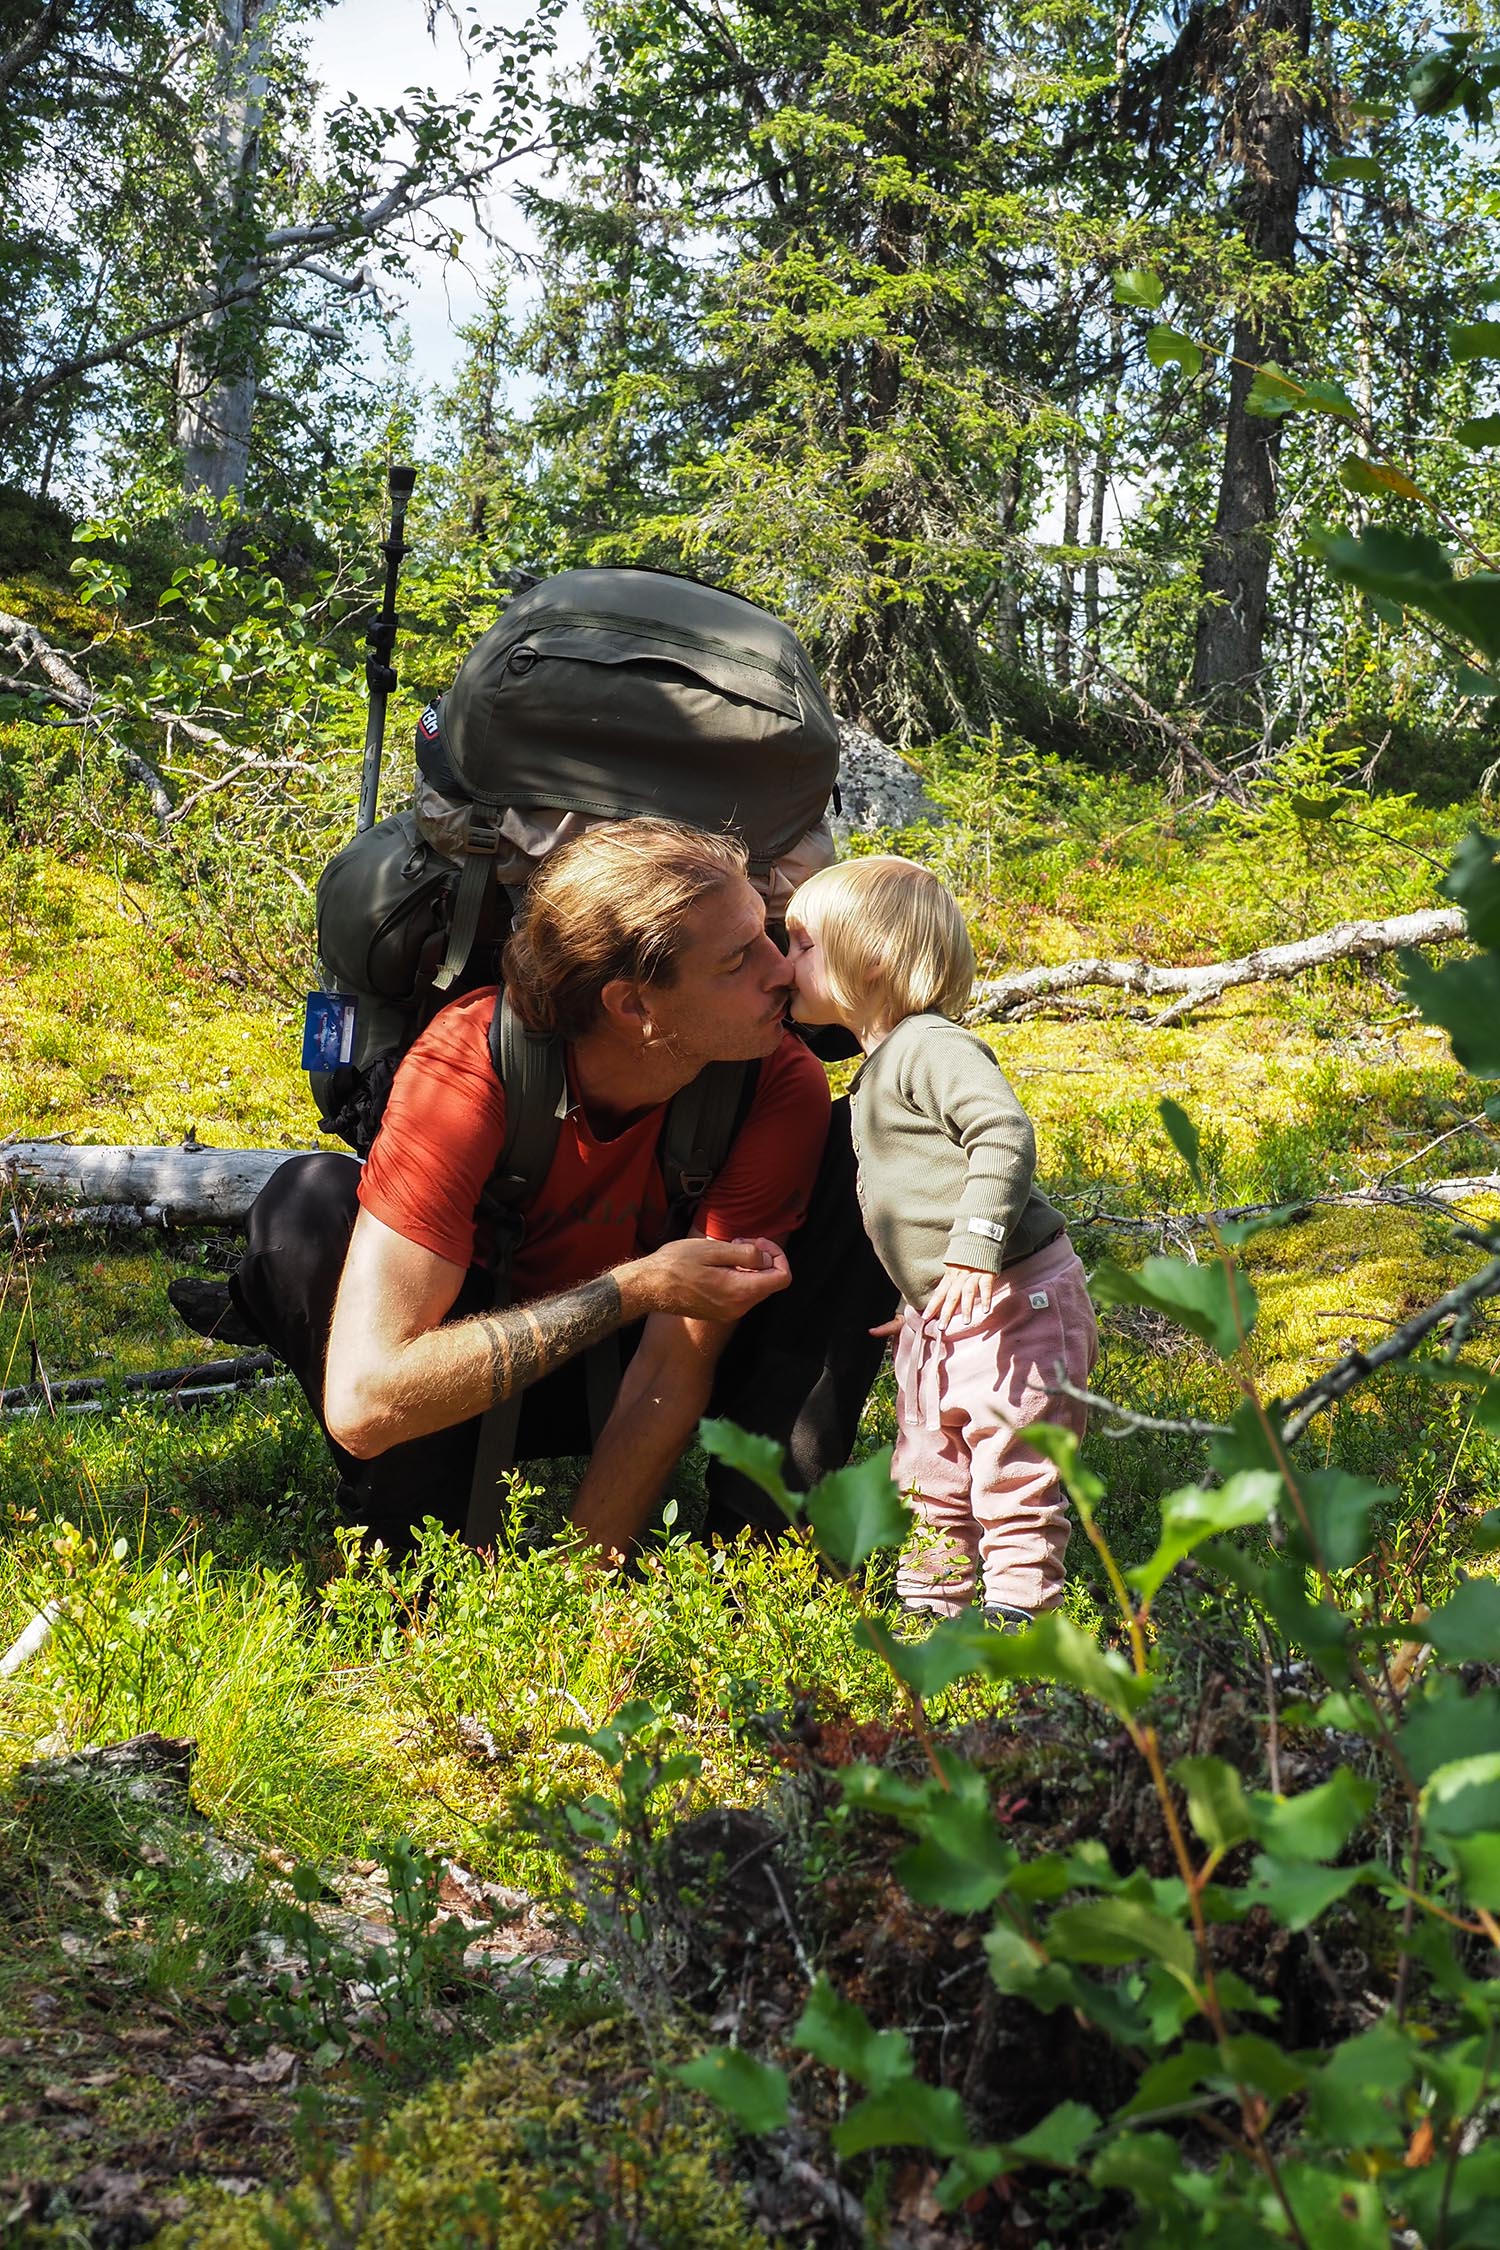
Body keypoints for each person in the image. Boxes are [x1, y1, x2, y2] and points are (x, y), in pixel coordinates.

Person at [225, 818, 896, 1555]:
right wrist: (631, 1289)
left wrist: (585, 1579)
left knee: (862, 1154)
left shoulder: (776, 1080)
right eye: (739, 959)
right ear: (633, 1006)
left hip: (639, 1366)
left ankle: (758, 1558)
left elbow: (676, 1360)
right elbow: (364, 1403)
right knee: (306, 1202)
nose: (783, 971)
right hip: (464, 1375)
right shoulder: (467, 1063)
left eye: (767, 934)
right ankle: (411, 1541)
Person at [784, 855, 1097, 1625]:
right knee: (930, 1470)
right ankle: (933, 1613)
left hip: (1017, 1297)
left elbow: (1002, 1134)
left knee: (1013, 1467)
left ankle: (1020, 1620)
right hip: (947, 1312)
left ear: (873, 958)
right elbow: (922, 1195)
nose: (783, 962)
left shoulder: (929, 1044)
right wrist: (919, 1298)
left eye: (801, 944)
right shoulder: (880, 1062)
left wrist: (971, 1249)